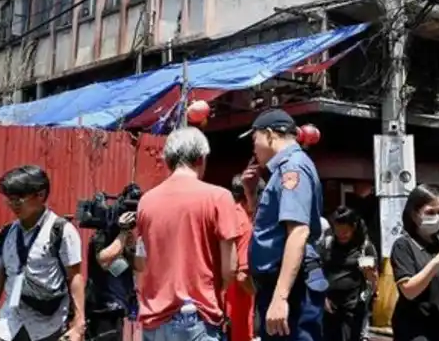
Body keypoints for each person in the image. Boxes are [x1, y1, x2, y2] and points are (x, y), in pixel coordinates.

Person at [134, 126, 241, 341]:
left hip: (153, 321)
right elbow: (230, 268)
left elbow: (141, 262)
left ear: (168, 161)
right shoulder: (219, 197)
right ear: (201, 159)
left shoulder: (146, 201)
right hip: (196, 318)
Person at [241, 110, 327, 341]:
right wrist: (251, 195)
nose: (254, 148)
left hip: (292, 286)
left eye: (255, 139)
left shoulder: (292, 169)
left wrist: (280, 298)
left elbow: (298, 232)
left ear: (269, 135)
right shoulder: (281, 171)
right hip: (281, 283)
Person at [0, 165, 86, 341]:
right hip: (9, 324)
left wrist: (78, 326)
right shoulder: (4, 235)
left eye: (19, 199)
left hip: (49, 326)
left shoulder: (61, 231)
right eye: (9, 199)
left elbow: (75, 278)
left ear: (40, 195)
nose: (13, 204)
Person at [390, 185, 439, 341]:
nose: (437, 217)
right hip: (415, 331)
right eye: (430, 212)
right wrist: (436, 263)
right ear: (414, 214)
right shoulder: (404, 246)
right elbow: (409, 291)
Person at [87, 184, 142, 341]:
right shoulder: (102, 234)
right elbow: (104, 260)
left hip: (119, 308)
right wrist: (123, 233)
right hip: (102, 309)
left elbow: (140, 266)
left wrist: (131, 247)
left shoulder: (125, 238)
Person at [322, 207, 378, 341]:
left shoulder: (365, 248)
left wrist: (369, 273)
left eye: (345, 231)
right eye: (337, 230)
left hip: (353, 306)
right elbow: (320, 270)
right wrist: (322, 297)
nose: (341, 235)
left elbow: (373, 283)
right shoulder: (328, 244)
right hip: (330, 304)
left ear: (353, 228)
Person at [224, 176, 257, 341]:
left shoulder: (224, 215)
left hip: (219, 306)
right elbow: (242, 275)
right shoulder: (244, 224)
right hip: (239, 310)